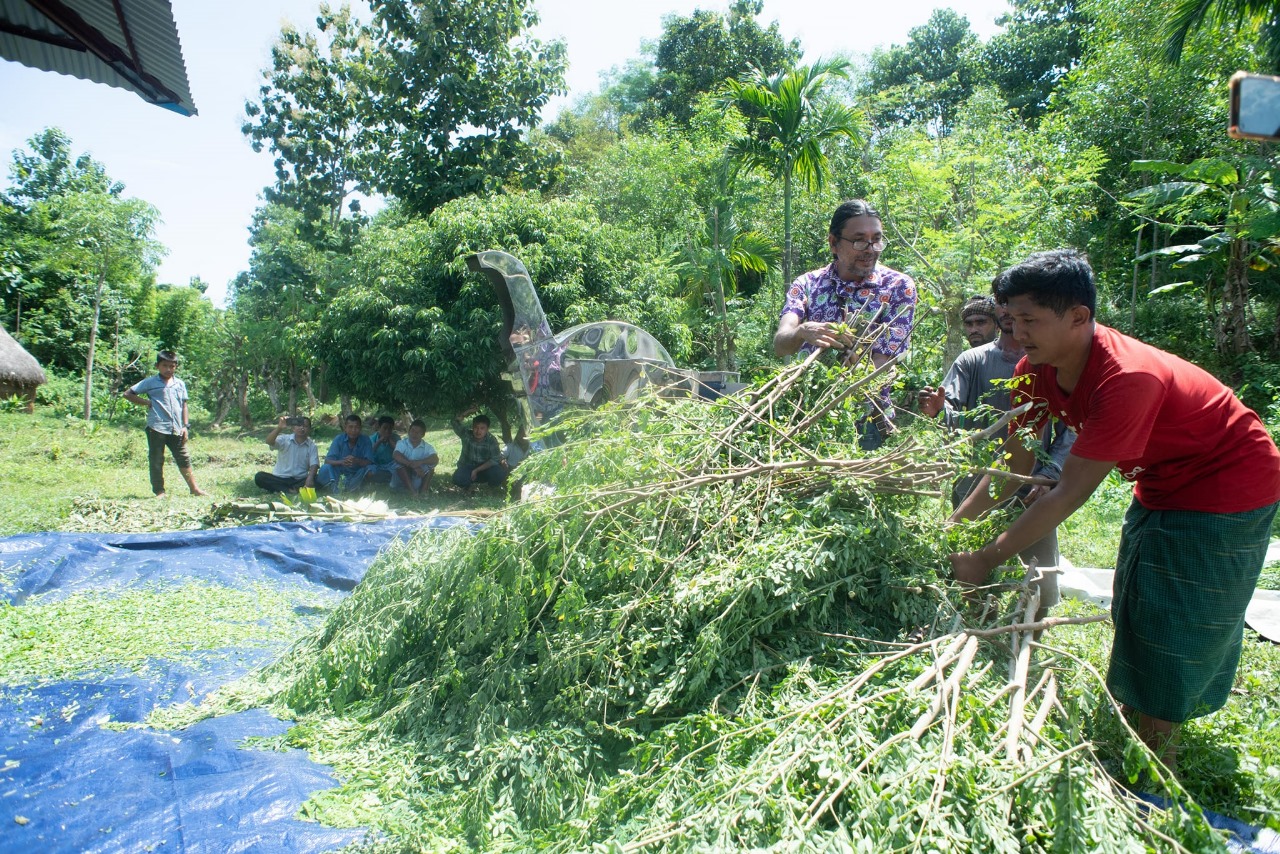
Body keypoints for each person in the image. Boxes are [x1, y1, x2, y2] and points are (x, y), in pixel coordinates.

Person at [949, 249, 1280, 770]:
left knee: (1180, 606)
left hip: (1230, 481)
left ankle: (1157, 756)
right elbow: (1013, 462)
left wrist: (987, 558)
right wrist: (955, 528)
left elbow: (1069, 492)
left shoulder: (1125, 378)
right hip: (1163, 478)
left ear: (1078, 317)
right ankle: (1138, 715)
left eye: (1030, 320)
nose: (1016, 331)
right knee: (1139, 590)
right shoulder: (1033, 368)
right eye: (1011, 319)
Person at [919, 294, 1076, 611]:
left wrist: (1049, 473)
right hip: (978, 476)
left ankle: (1039, 615)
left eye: (1014, 306)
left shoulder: (1049, 364)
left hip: (1035, 480)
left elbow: (1071, 429)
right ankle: (974, 616)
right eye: (1003, 304)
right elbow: (954, 410)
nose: (1008, 312)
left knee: (1041, 565)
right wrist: (939, 411)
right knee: (967, 549)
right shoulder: (972, 361)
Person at [774, 199, 917, 449]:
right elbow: (781, 344)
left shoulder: (898, 287)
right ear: (833, 242)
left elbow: (884, 362)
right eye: (859, 240)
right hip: (807, 413)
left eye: (876, 239)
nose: (870, 249)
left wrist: (855, 368)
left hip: (868, 420)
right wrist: (802, 332)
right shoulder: (807, 284)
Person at [123, 350, 208, 498]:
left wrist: (185, 426)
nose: (168, 369)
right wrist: (147, 402)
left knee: (183, 457)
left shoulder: (179, 384)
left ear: (176, 367)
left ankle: (194, 489)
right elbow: (128, 394)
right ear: (157, 366)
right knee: (157, 459)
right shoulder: (150, 382)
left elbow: (184, 405)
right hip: (156, 427)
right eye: (165, 366)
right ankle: (159, 491)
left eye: (172, 366)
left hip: (176, 428)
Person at [254, 415, 319, 494]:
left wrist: (310, 478)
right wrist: (279, 428)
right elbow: (269, 442)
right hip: (280, 478)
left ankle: (280, 489)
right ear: (293, 428)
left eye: (305, 426)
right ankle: (289, 490)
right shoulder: (284, 439)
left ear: (309, 429)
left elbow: (314, 464)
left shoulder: (312, 445)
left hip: (299, 479)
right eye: (298, 425)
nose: (301, 428)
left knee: (318, 478)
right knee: (260, 477)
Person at [318, 413, 374, 494]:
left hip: (357, 472)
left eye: (357, 427)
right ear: (345, 428)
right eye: (350, 427)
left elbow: (369, 461)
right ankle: (335, 486)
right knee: (325, 468)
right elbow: (328, 461)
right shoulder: (338, 439)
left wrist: (356, 461)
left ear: (360, 428)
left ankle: (358, 487)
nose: (353, 430)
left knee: (371, 469)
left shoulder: (365, 440)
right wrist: (342, 462)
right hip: (340, 472)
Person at [451, 408, 506, 489]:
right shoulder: (466, 435)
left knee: (498, 473)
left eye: (482, 428)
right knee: (458, 478)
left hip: (485, 467)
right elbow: (454, 422)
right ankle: (468, 486)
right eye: (476, 427)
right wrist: (467, 412)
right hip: (467, 466)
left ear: (487, 429)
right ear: (472, 427)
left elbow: (495, 459)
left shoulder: (491, 440)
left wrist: (476, 470)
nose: (478, 431)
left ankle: (490, 487)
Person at [393, 419, 439, 496]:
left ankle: (424, 490)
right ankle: (412, 492)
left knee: (431, 467)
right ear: (409, 431)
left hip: (417, 477)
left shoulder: (427, 447)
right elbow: (396, 455)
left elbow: (435, 459)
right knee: (399, 466)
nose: (414, 434)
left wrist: (420, 462)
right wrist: (412, 465)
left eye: (418, 432)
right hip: (400, 481)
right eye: (413, 431)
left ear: (423, 434)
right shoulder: (401, 443)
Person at [366, 415, 401, 485]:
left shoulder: (396, 438)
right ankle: (386, 478)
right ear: (379, 427)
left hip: (391, 465)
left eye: (390, 429)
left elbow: (400, 453)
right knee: (368, 471)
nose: (387, 431)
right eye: (384, 428)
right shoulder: (371, 438)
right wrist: (379, 441)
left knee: (401, 469)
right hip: (376, 464)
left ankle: (384, 478)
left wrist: (390, 441)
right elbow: (369, 454)